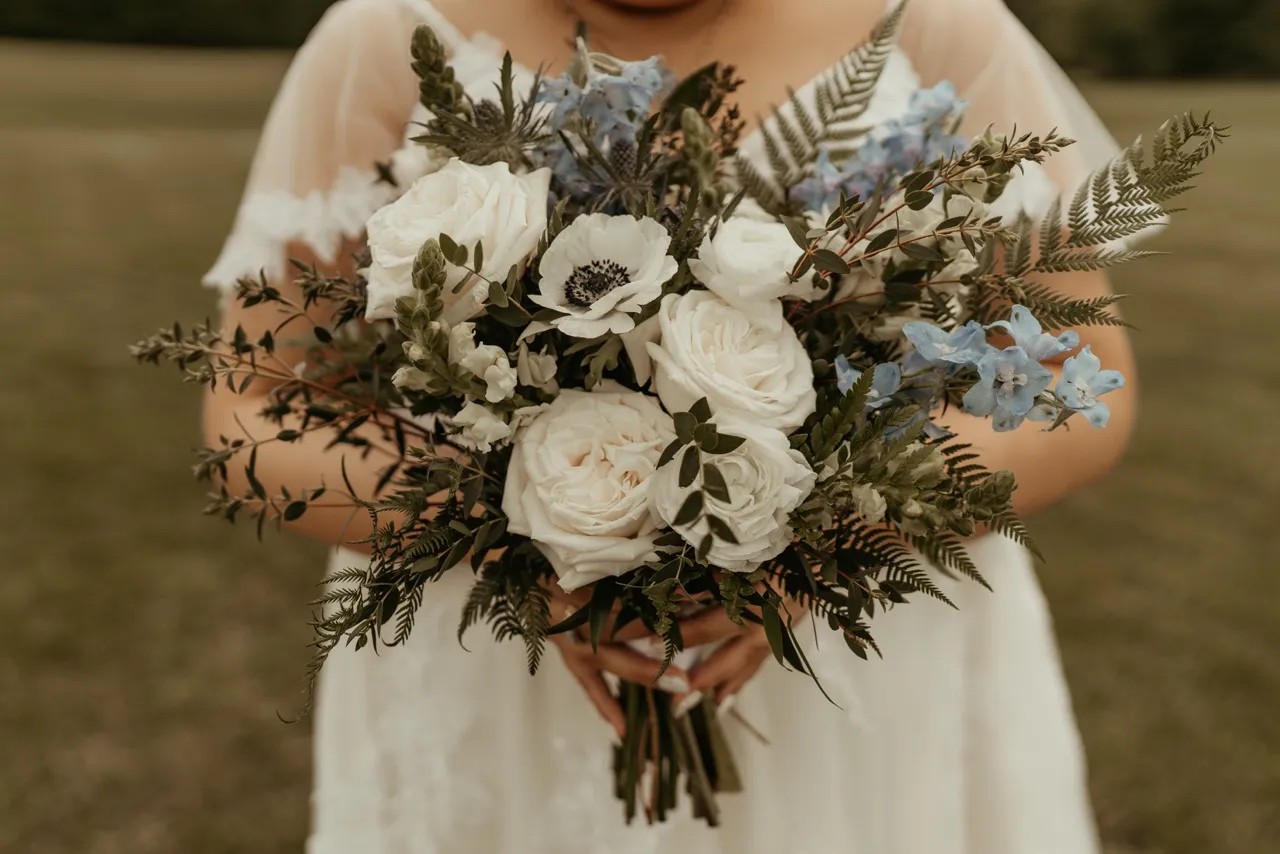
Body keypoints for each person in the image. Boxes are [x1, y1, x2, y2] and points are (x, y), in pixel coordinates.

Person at [203, 0, 1137, 851]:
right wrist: (521, 539)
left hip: (851, 672)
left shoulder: (937, 25)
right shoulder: (384, 37)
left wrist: (839, 533)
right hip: (500, 668)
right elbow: (251, 410)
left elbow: (1082, 395)